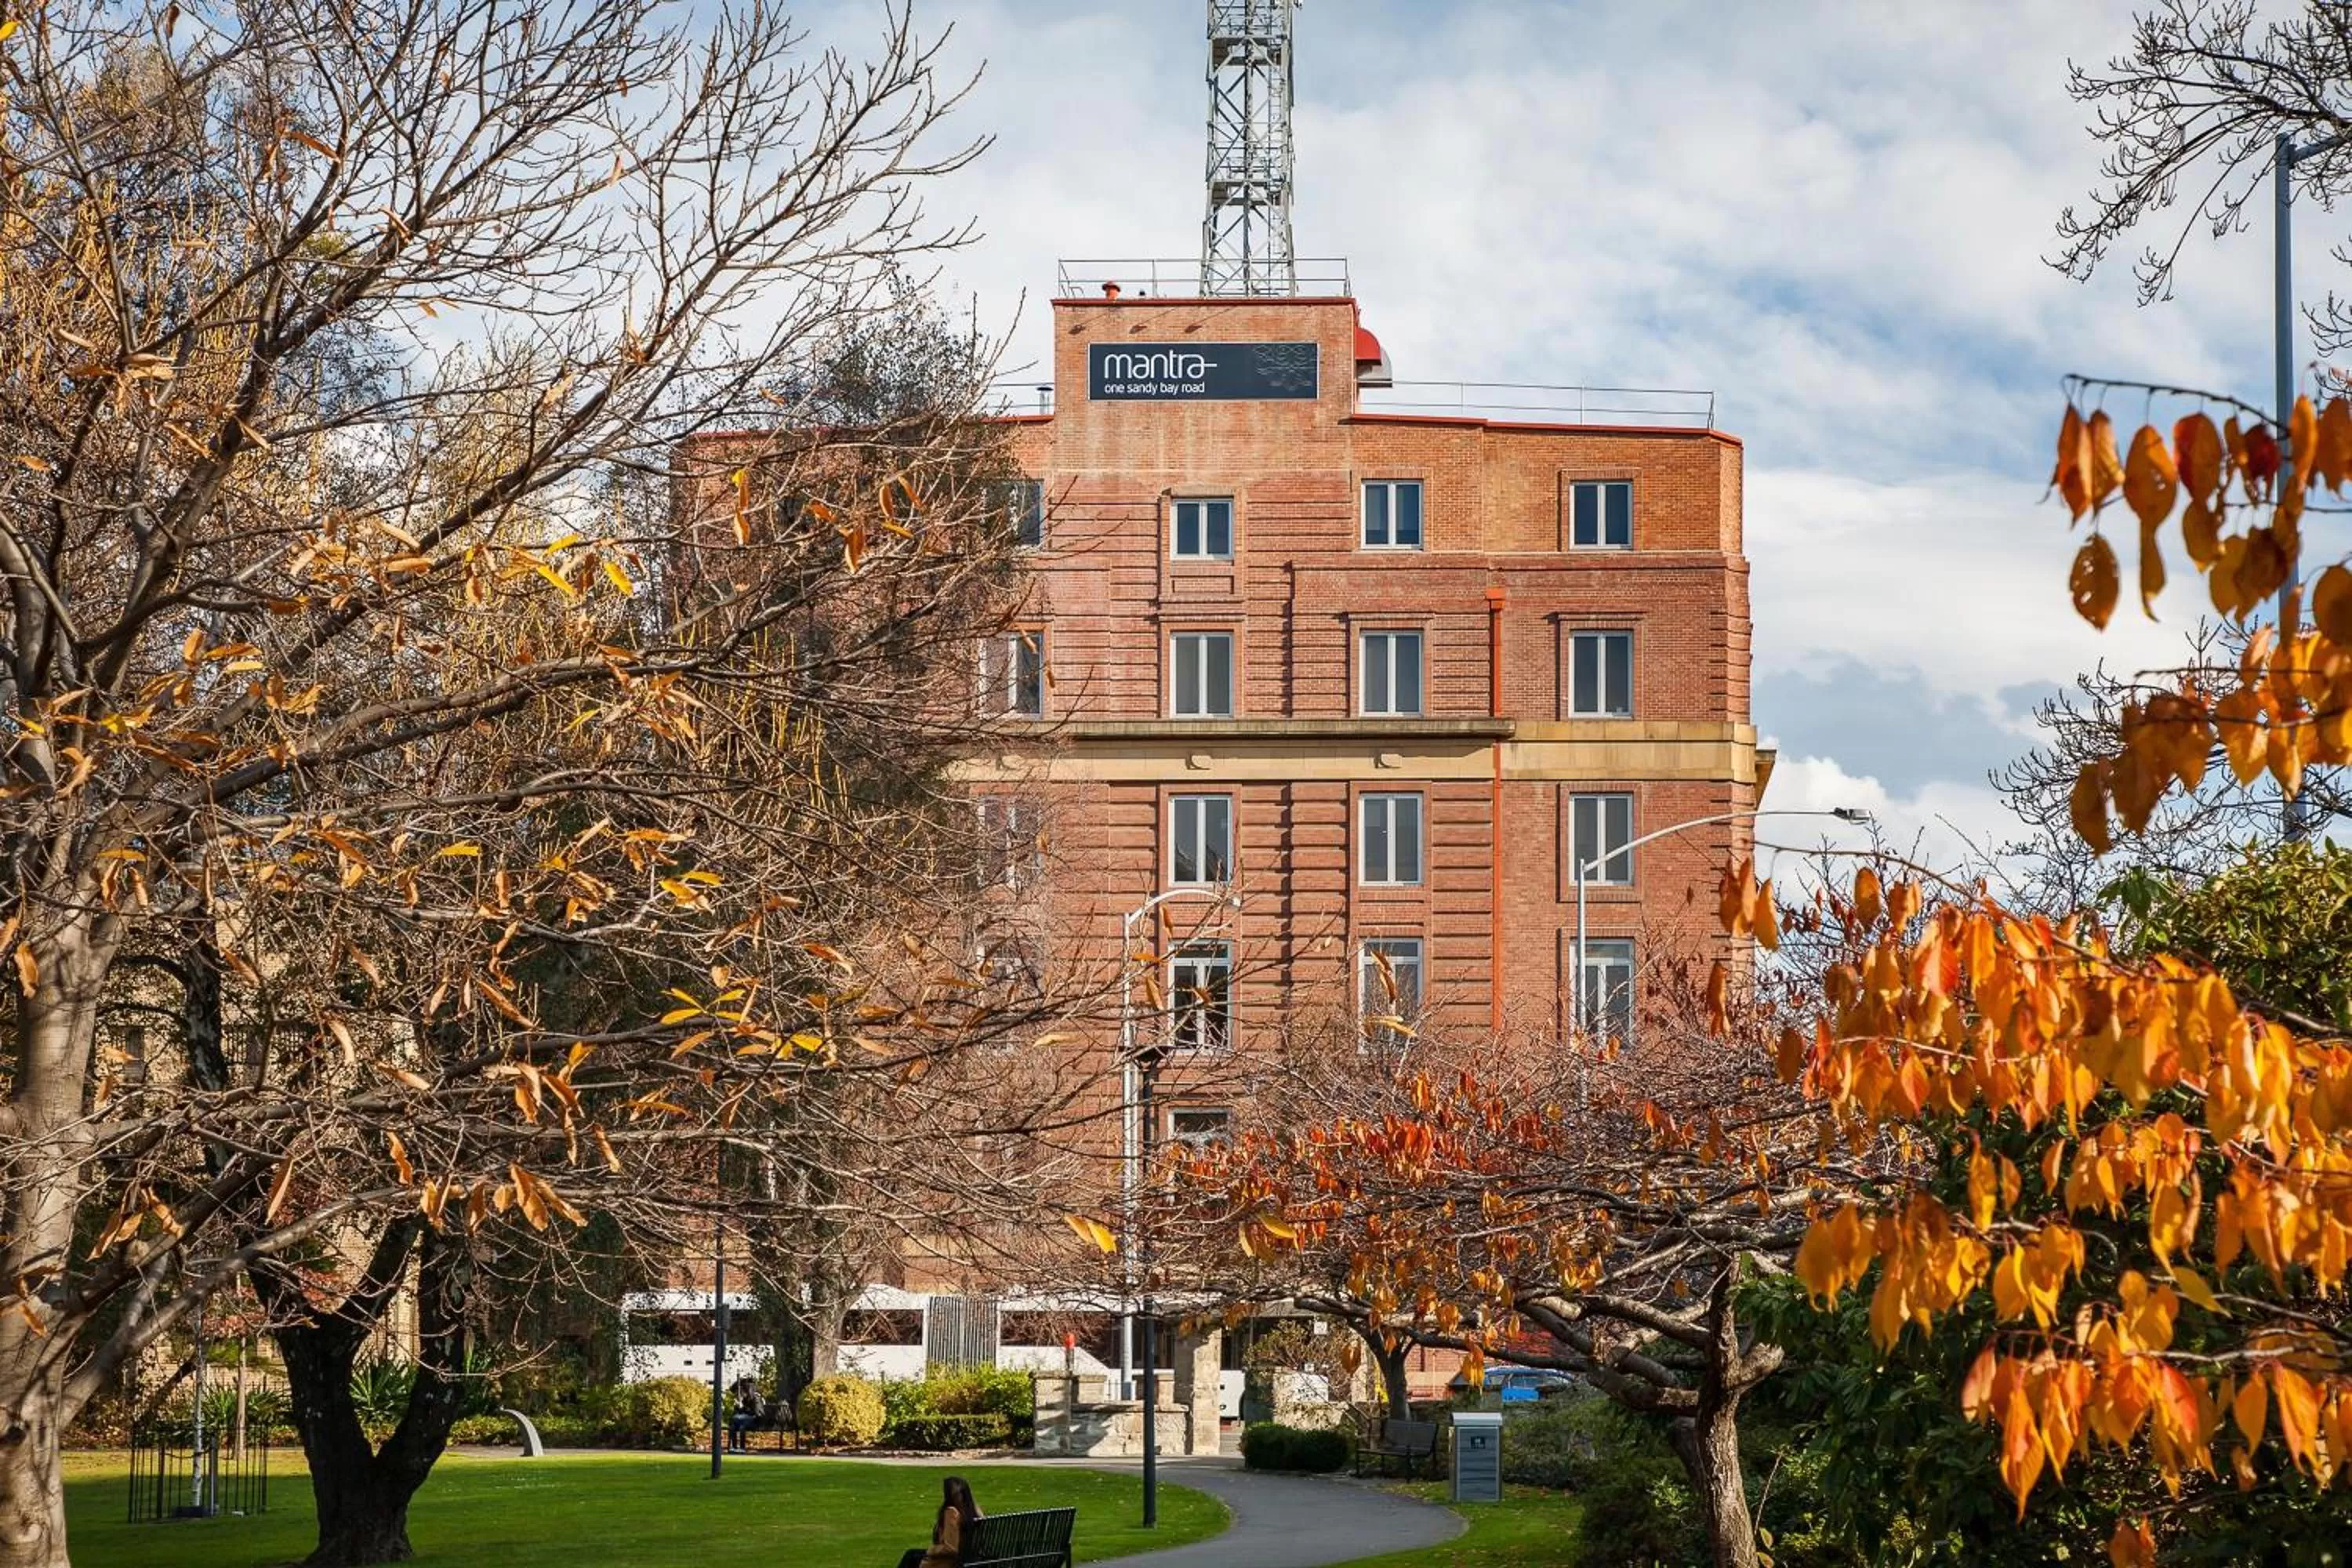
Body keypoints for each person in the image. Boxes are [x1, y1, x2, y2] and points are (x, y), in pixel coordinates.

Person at [896, 1475, 982, 1568]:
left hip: (951, 1562)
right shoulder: (974, 1512)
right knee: (912, 1554)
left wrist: (932, 1550)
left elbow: (951, 1549)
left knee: (911, 1556)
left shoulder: (951, 1512)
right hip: (969, 1559)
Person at [727, 1375, 763, 1453]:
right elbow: (737, 1414)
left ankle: (742, 1447)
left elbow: (756, 1413)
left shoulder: (755, 1399)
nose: (736, 1395)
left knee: (742, 1427)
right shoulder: (742, 1400)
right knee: (732, 1426)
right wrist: (738, 1407)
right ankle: (734, 1447)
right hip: (743, 1422)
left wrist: (743, 1408)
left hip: (755, 1421)